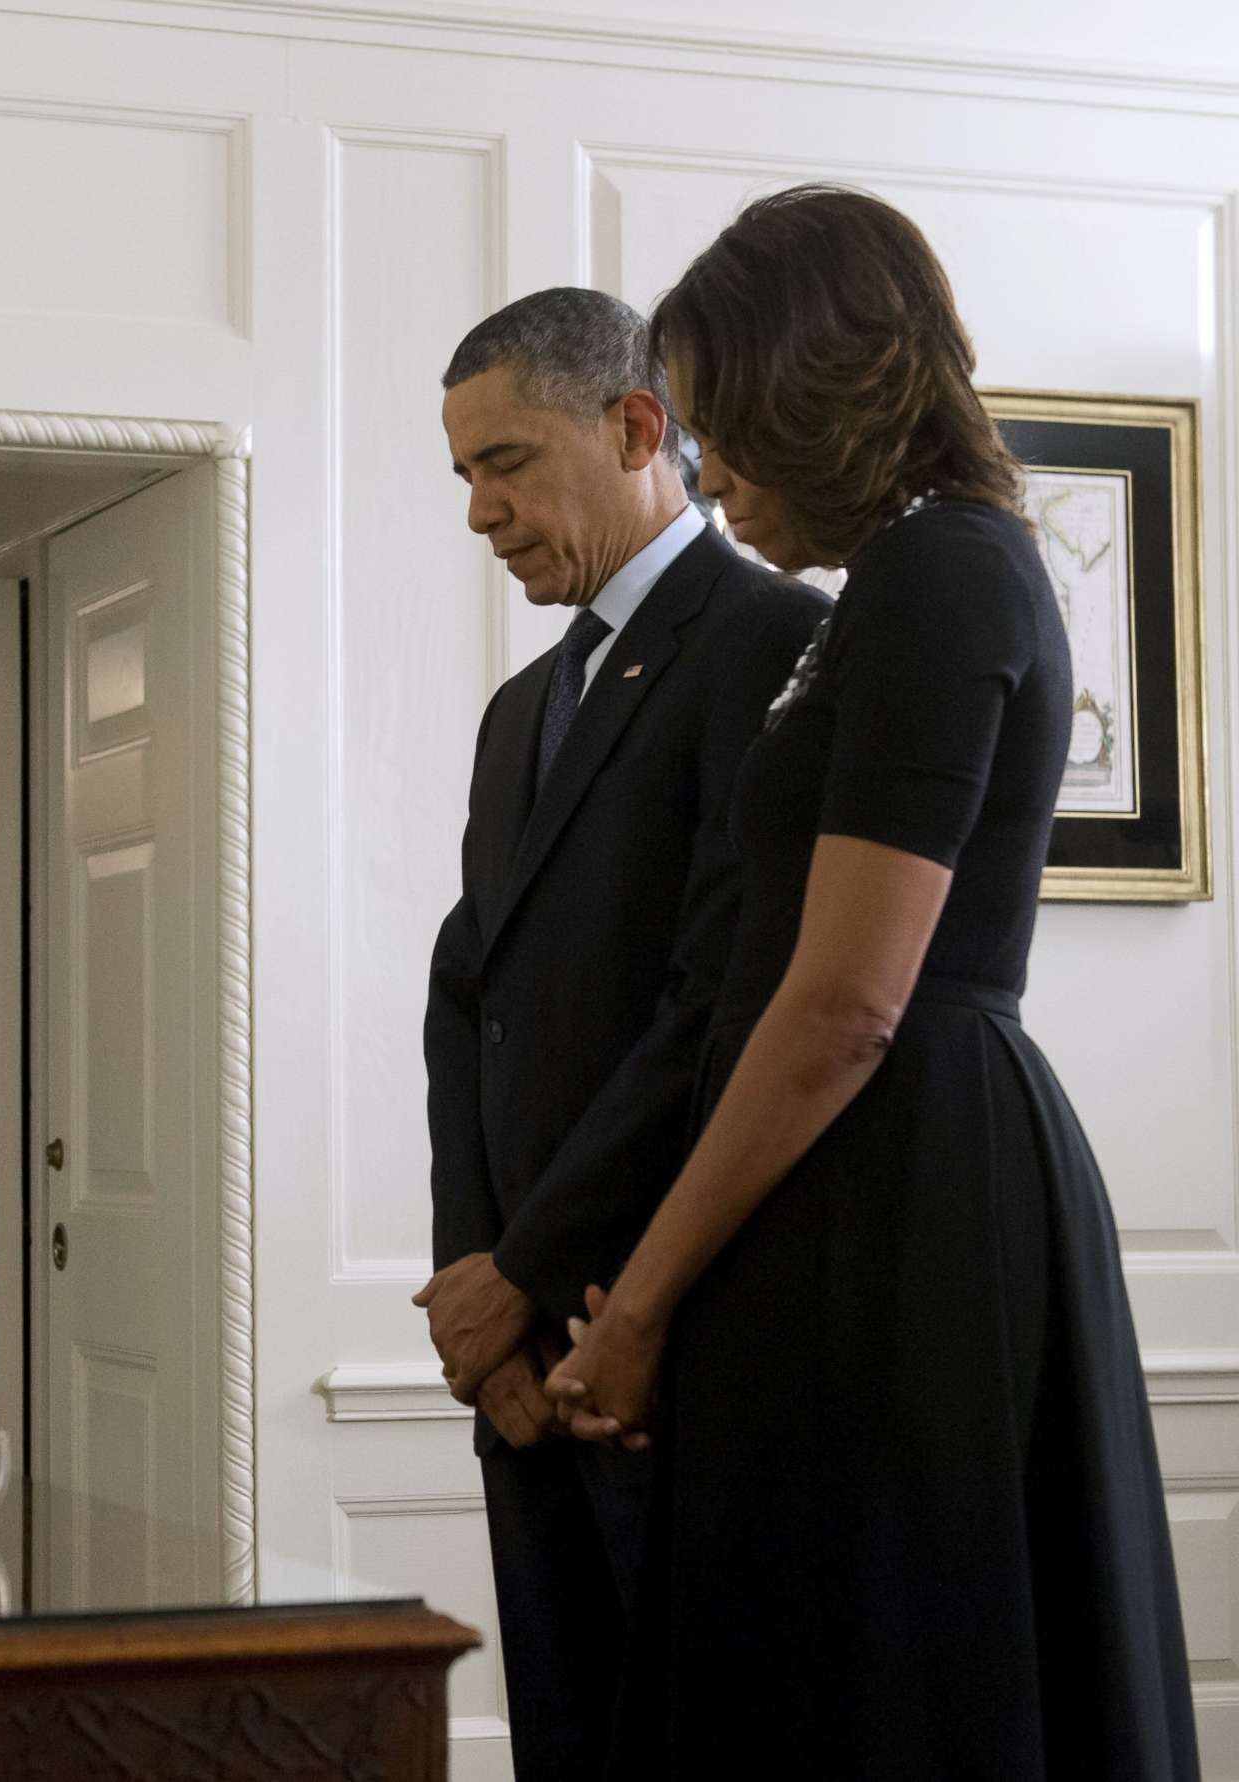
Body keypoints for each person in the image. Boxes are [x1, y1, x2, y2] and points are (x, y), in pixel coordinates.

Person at [550, 185, 1200, 1780]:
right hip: (865, 1186)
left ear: (814, 389)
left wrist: (640, 1304)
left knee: (892, 1686)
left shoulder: (945, 576)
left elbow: (844, 1004)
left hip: (906, 1192)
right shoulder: (904, 582)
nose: (707, 474)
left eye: (722, 427)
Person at [420, 287, 828, 1779]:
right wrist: (486, 1305)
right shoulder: (520, 708)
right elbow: (468, 994)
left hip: (673, 1345)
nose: (480, 510)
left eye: (508, 463)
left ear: (638, 427)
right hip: (522, 1364)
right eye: (463, 473)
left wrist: (532, 1273)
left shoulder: (781, 639)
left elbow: (724, 1000)